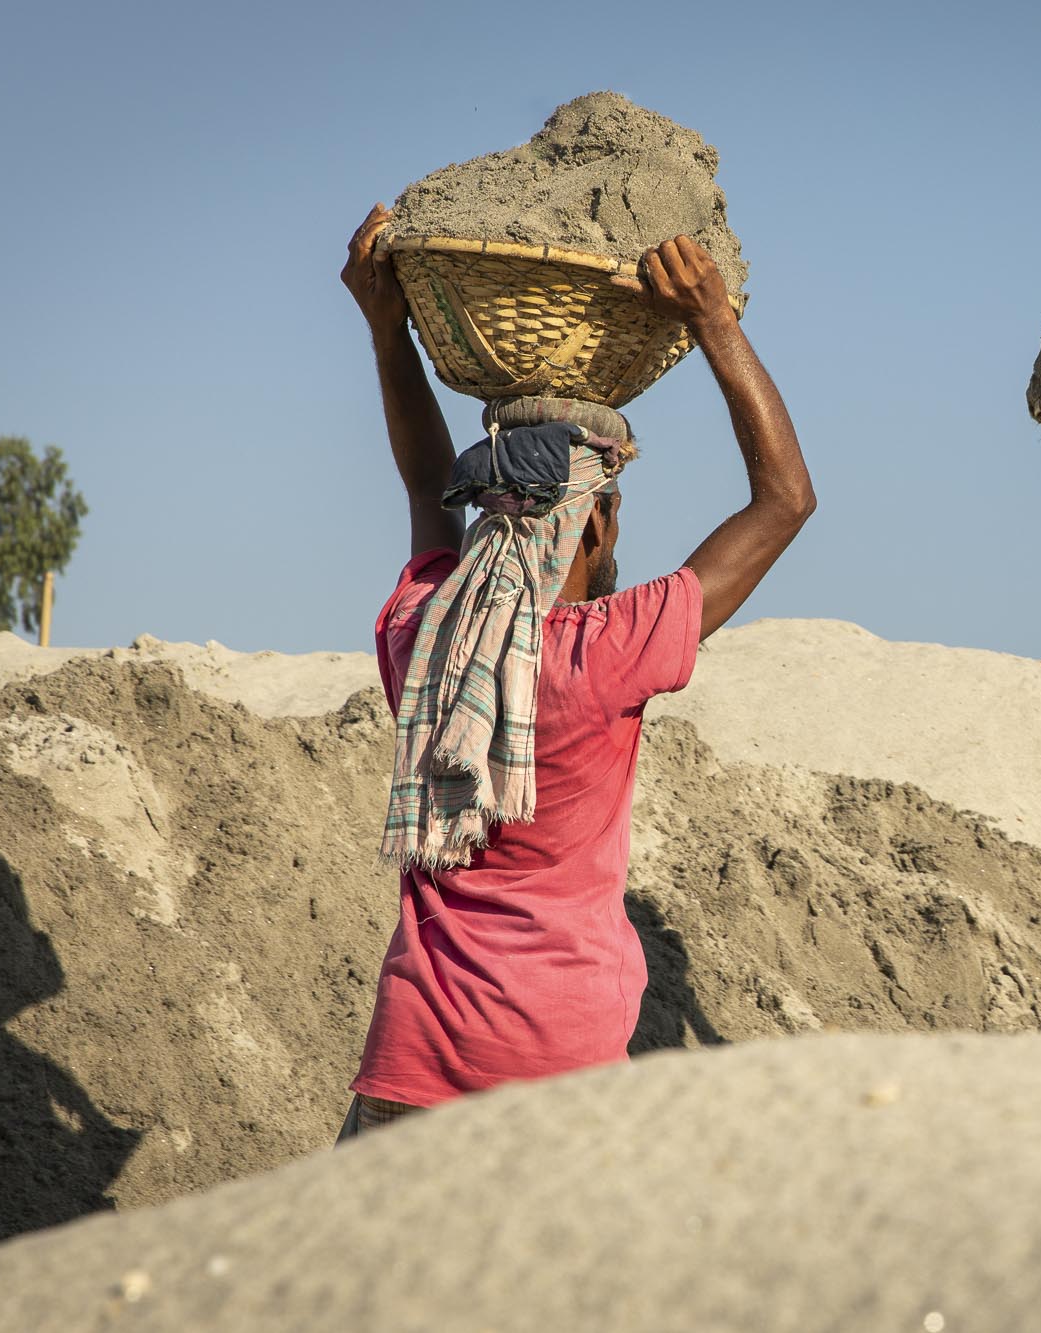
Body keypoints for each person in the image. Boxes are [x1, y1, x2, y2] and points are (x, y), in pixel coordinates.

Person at [334, 204, 815, 1135]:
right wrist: (716, 323)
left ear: (482, 515)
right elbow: (786, 499)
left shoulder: (422, 636)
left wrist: (387, 327)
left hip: (409, 1063)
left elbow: (421, 481)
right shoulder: (607, 650)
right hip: (559, 1073)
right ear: (594, 525)